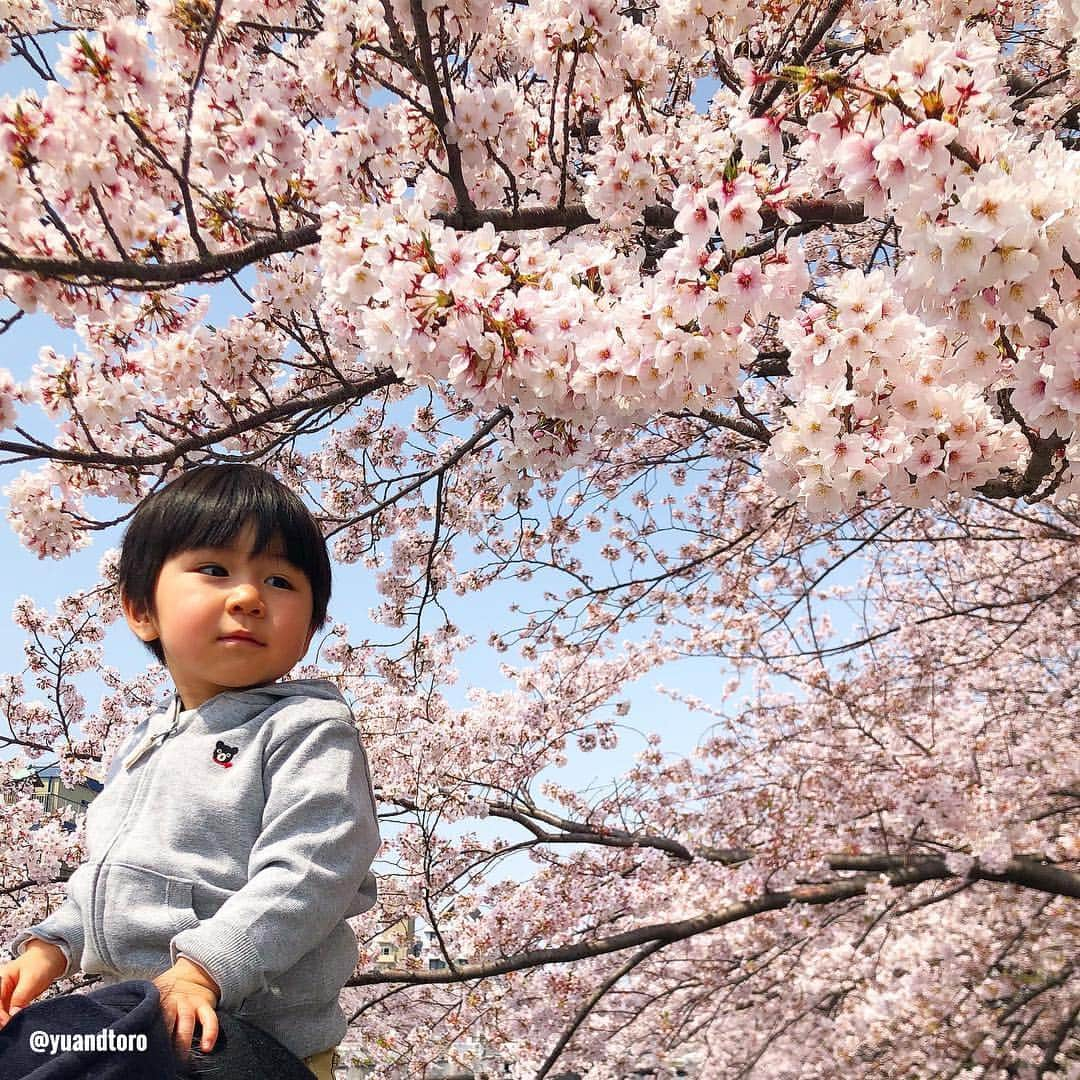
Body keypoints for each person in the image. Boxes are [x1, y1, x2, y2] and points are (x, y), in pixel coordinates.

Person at [0, 464, 380, 1080]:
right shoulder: (142, 745)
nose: (249, 597)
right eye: (213, 570)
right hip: (143, 1020)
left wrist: (205, 968)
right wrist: (51, 947)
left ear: (310, 629)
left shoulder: (306, 729)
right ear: (141, 610)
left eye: (280, 580)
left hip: (252, 1042)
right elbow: (107, 877)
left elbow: (312, 871)